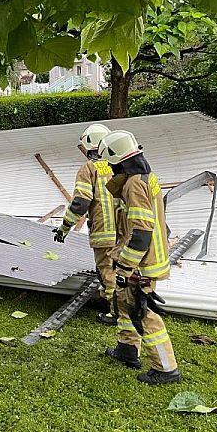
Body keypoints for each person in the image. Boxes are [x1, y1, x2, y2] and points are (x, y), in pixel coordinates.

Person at [98, 130, 181, 385]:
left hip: (142, 262)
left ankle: (166, 368)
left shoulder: (134, 184)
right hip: (144, 258)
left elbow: (141, 232)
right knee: (125, 304)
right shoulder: (143, 177)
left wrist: (125, 267)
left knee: (141, 311)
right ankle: (127, 349)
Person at [52, 123, 123, 325]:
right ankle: (109, 299)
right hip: (125, 230)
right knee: (122, 268)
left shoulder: (89, 169)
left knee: (106, 270)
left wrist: (65, 226)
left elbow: (80, 202)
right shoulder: (120, 166)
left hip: (104, 230)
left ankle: (115, 311)